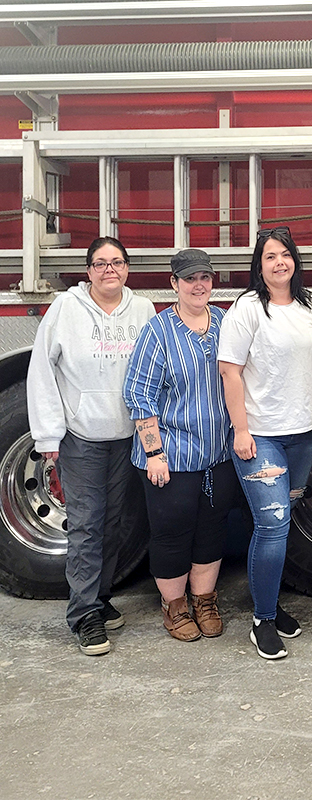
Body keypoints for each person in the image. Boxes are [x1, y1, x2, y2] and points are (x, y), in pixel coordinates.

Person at [27, 236, 155, 656]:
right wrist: (48, 435)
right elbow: (42, 372)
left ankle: (99, 598)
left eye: (117, 262)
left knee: (114, 524)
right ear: (88, 271)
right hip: (80, 438)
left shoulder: (142, 310)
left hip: (125, 438)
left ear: (127, 269)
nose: (109, 271)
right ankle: (83, 614)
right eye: (100, 264)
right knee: (86, 526)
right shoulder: (65, 309)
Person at [218, 227, 312, 660]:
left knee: (285, 515)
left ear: (294, 260)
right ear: (258, 266)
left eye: (285, 254)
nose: (279, 263)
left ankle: (270, 602)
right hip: (260, 435)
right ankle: (262, 618)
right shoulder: (246, 309)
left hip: (303, 434)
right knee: (274, 523)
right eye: (269, 257)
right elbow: (230, 370)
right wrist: (241, 430)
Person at [124, 248, 237, 642]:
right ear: (174, 284)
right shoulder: (158, 331)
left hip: (218, 454)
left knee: (211, 530)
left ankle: (204, 600)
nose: (198, 285)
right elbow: (139, 393)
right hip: (170, 456)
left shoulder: (224, 322)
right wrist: (154, 453)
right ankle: (175, 607)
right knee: (172, 532)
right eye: (190, 279)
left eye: (204, 277)